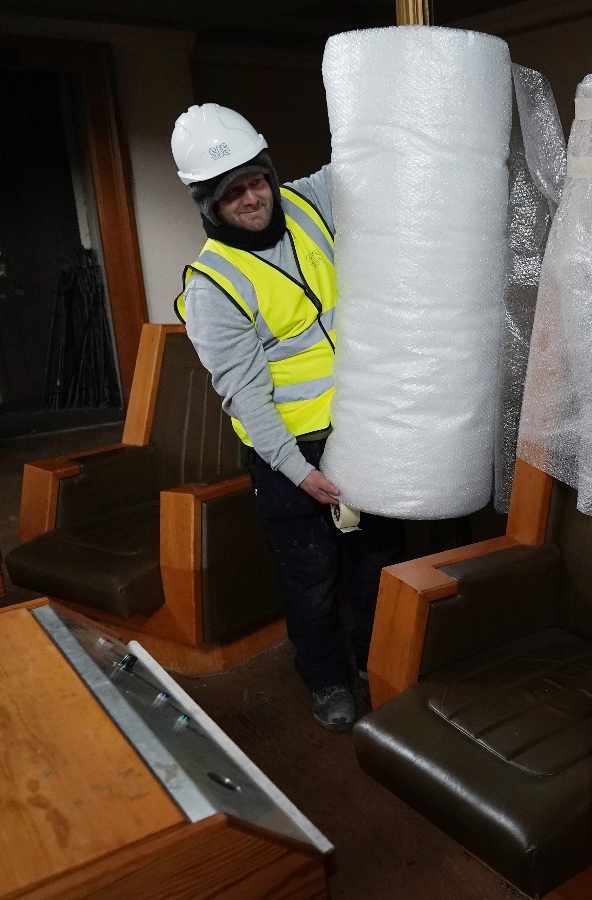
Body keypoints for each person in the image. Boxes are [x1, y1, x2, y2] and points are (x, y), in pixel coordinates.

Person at [170, 103, 406, 732]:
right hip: (290, 454)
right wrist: (299, 471)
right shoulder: (213, 286)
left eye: (257, 181)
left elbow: (362, 157)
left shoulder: (302, 202)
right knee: (312, 580)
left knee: (377, 561)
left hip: (359, 425)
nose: (253, 200)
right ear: (206, 203)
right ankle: (327, 680)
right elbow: (244, 396)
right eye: (232, 194)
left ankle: (370, 665)